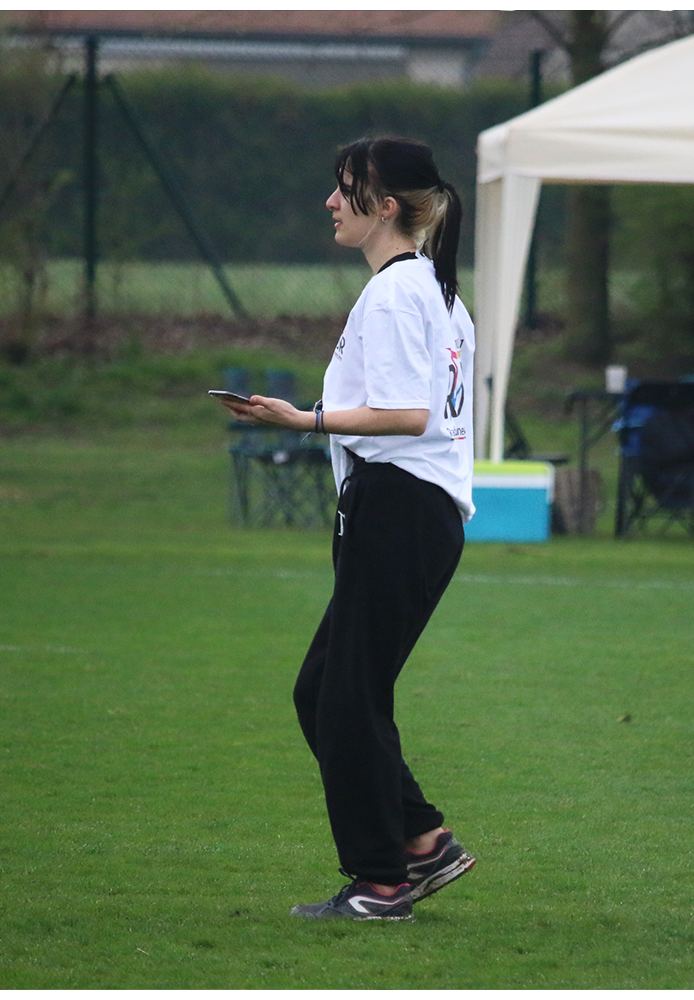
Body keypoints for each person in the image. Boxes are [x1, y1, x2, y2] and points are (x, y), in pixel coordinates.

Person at [217, 136, 477, 920]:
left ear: (385, 206)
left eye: (345, 187)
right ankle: (423, 841)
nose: (331, 201)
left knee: (347, 698)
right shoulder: (432, 289)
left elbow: (406, 415)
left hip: (398, 507)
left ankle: (382, 882)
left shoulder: (398, 292)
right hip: (410, 510)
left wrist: (304, 419)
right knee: (325, 691)